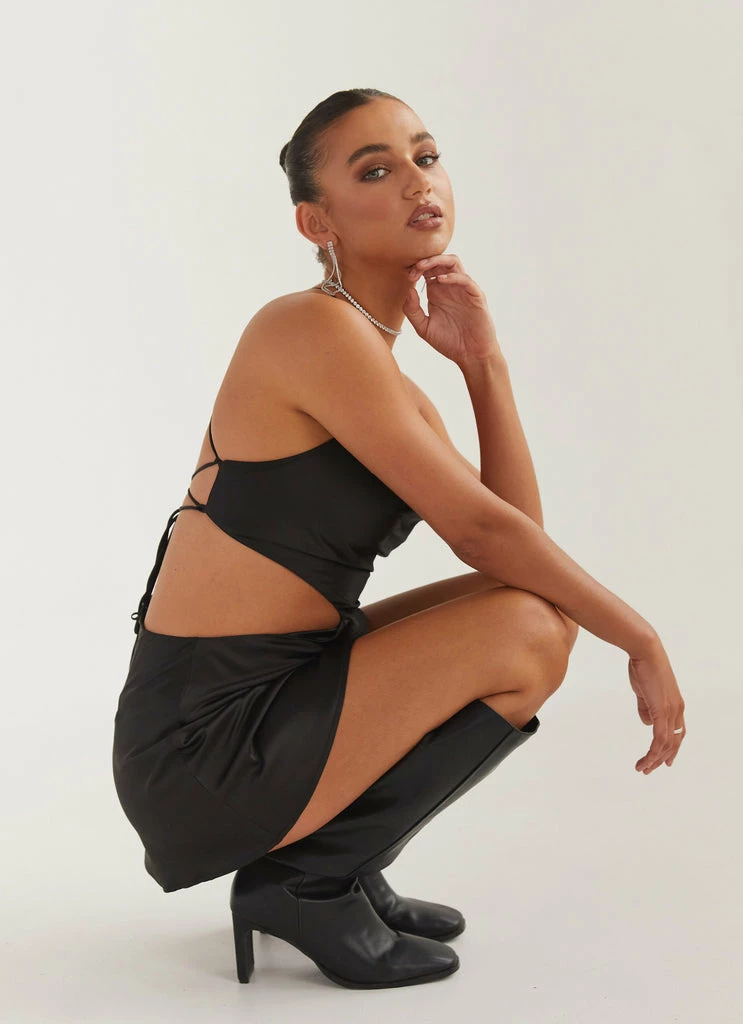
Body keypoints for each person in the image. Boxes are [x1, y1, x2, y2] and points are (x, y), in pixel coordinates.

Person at [112, 87, 686, 990]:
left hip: (287, 686)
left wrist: (483, 365)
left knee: (531, 614)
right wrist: (640, 638)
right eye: (375, 170)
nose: (418, 182)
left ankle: (331, 862)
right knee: (530, 626)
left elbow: (517, 548)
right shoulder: (305, 328)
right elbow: (484, 532)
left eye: (425, 156)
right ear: (317, 223)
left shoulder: (382, 373)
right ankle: (306, 881)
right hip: (205, 739)